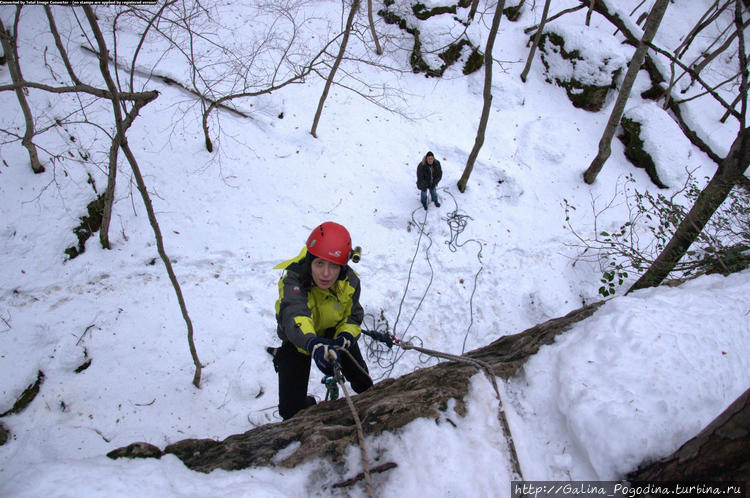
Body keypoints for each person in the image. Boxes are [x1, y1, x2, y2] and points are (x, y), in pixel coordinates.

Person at [271, 221, 373, 420]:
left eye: (334, 265)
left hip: (334, 334)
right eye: (319, 263)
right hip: (299, 340)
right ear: (309, 261)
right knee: (290, 411)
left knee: (364, 383)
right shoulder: (293, 280)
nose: (326, 274)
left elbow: (353, 317)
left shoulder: (350, 282)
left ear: (342, 267)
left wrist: (344, 337)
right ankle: (306, 406)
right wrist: (312, 343)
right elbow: (294, 314)